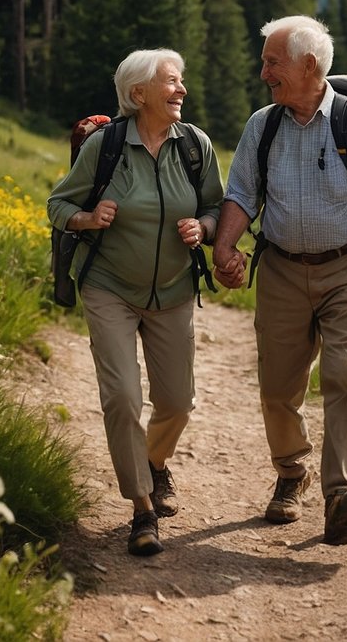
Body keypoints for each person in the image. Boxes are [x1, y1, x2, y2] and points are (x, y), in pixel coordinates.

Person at [212, 15, 347, 546]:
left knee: (345, 379)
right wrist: (225, 246)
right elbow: (241, 194)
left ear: (309, 66)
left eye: (272, 62)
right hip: (281, 270)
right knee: (278, 389)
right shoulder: (263, 125)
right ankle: (290, 473)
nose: (264, 73)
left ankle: (338, 496)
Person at [47, 49, 223, 556]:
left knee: (176, 402)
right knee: (123, 396)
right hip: (109, 288)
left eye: (182, 81)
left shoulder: (195, 146)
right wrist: (86, 219)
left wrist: (205, 227)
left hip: (173, 292)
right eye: (171, 82)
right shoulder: (105, 146)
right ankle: (142, 509)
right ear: (138, 93)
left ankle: (154, 462)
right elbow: (59, 203)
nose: (182, 90)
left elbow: (215, 204)